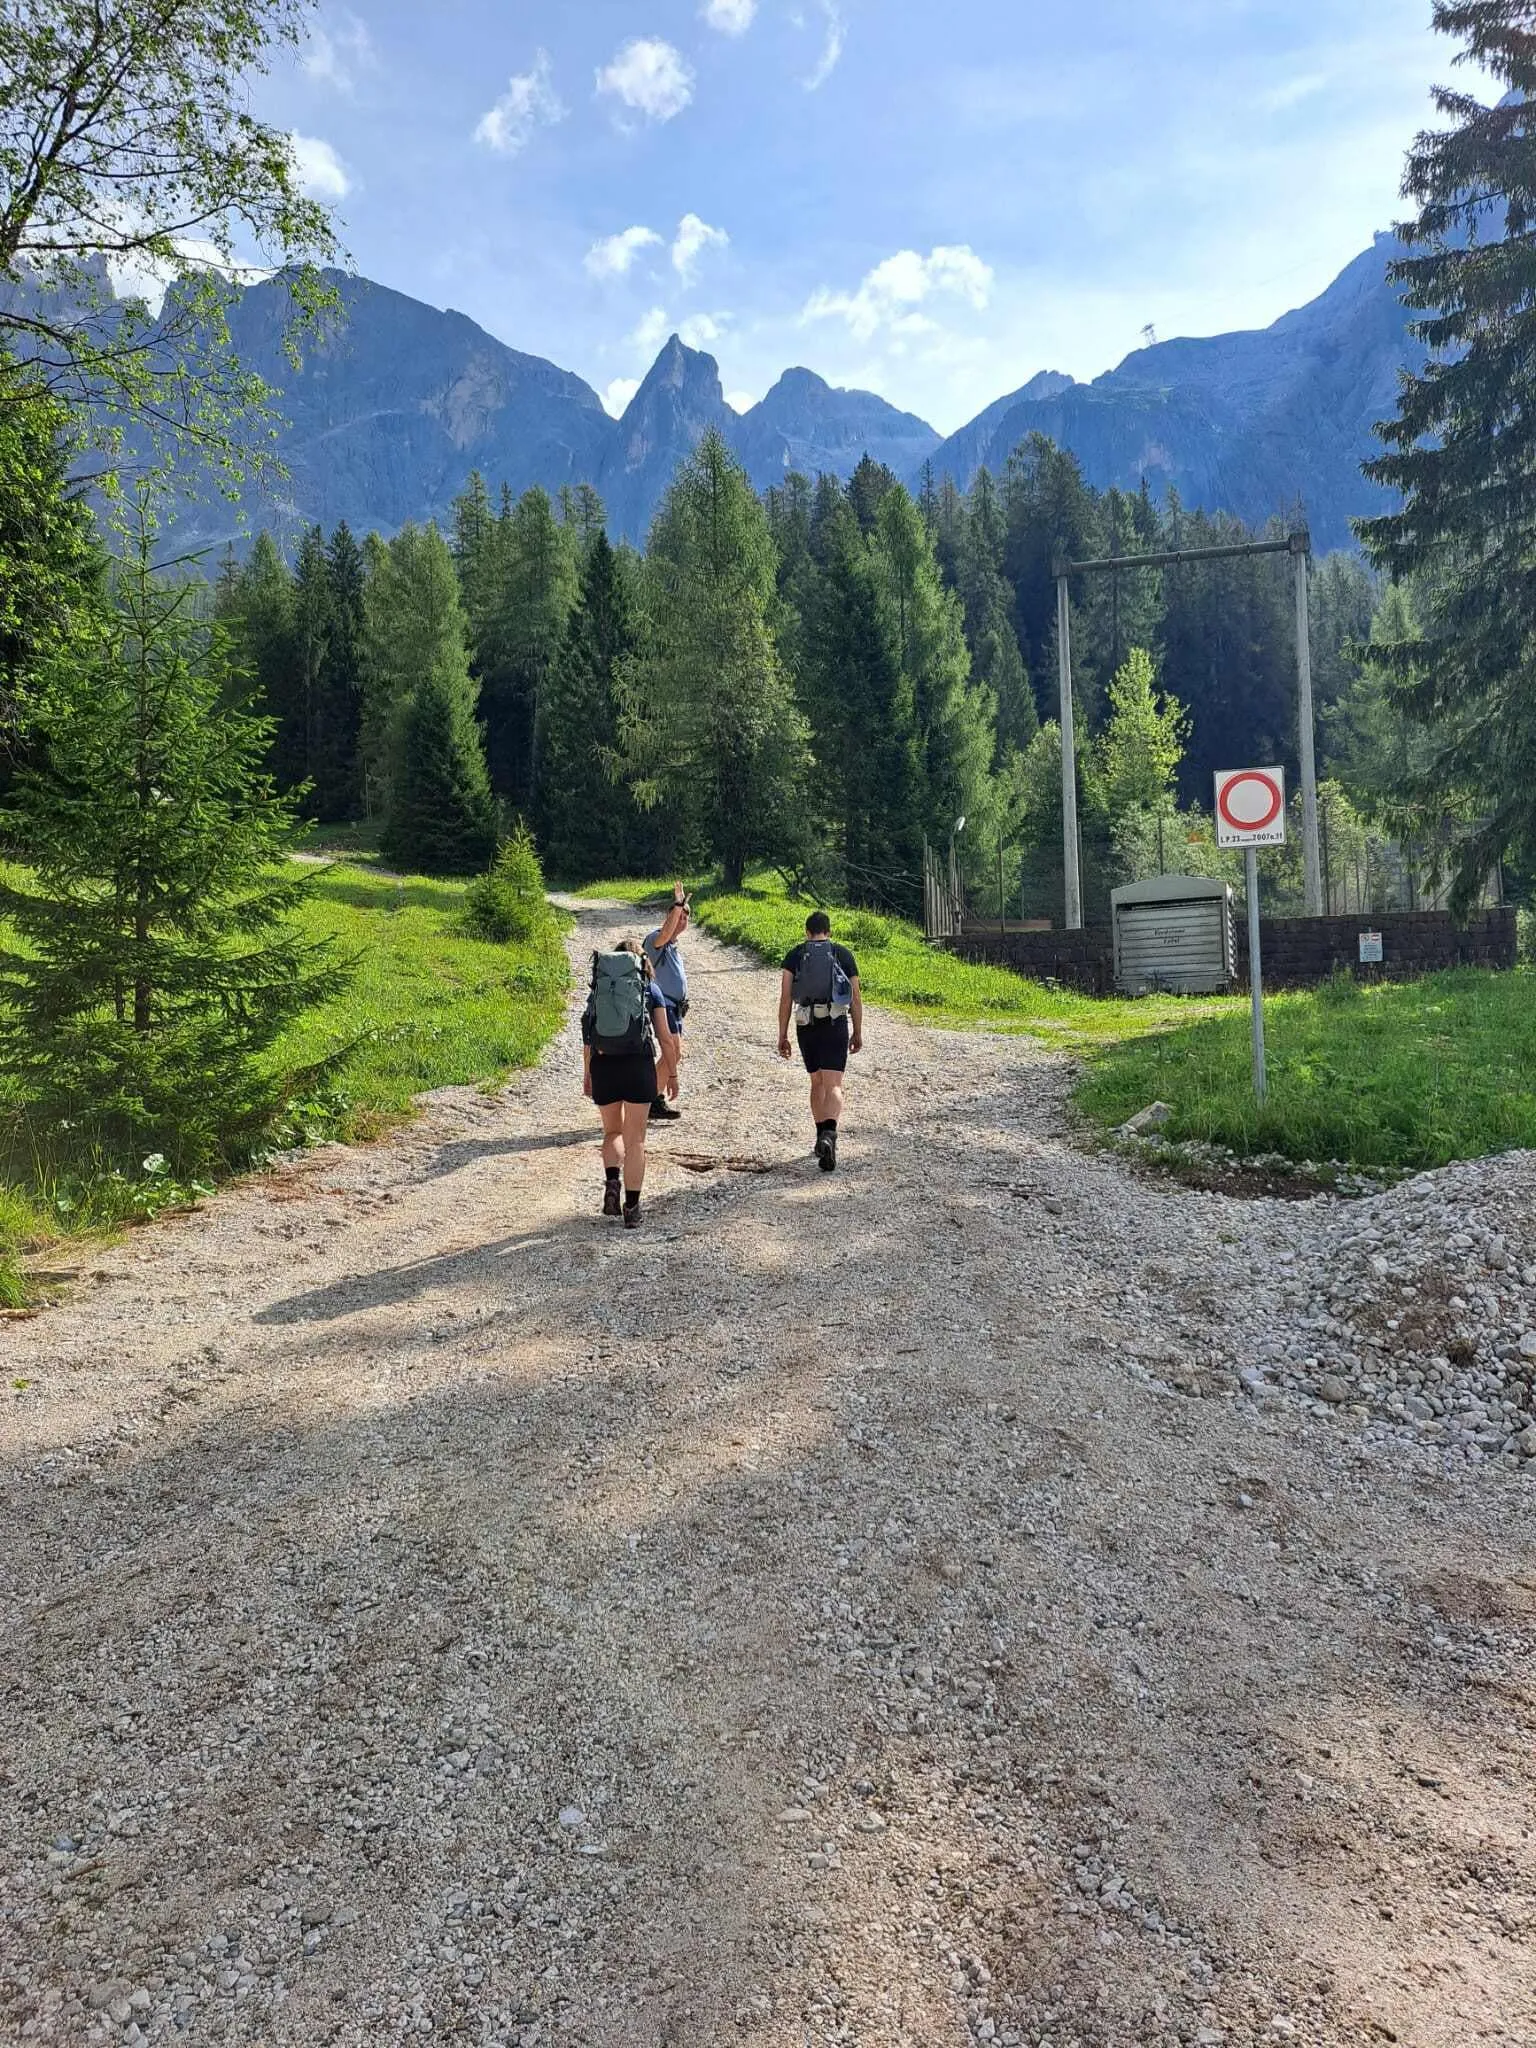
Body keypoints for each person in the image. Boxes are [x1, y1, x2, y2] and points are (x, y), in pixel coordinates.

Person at [582, 938, 679, 1229]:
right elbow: (666, 1038)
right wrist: (672, 1073)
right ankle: (633, 1207)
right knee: (635, 1138)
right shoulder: (650, 989)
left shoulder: (599, 988)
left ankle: (612, 1183)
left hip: (603, 1064)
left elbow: (588, 1035)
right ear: (640, 962)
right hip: (638, 1064)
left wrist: (588, 1073)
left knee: (612, 1131)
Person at [778, 910, 862, 1172]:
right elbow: (856, 998)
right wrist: (857, 1032)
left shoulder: (795, 955)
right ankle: (830, 1133)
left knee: (816, 1081)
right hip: (835, 1024)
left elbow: (785, 998)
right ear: (829, 931)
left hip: (807, 1025)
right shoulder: (842, 954)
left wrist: (782, 1035)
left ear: (807, 932)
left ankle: (819, 1135)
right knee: (834, 1084)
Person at [643, 881, 691, 1123]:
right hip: (664, 1006)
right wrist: (678, 904)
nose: (683, 920)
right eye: (679, 916)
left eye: (686, 917)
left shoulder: (673, 947)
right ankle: (651, 1098)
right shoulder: (656, 940)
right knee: (671, 1050)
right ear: (670, 916)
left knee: (676, 1052)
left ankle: (653, 1096)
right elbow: (664, 932)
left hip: (676, 1008)